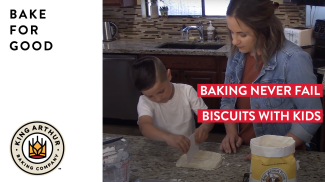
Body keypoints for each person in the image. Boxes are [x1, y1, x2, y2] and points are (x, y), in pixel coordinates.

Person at [220, 0, 322, 160]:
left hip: (283, 156)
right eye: (231, 32)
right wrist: (231, 133)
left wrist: (272, 150)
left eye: (242, 34)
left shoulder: (293, 59)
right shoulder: (236, 55)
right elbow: (227, 99)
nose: (234, 41)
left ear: (263, 30)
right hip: (244, 151)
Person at [131, 56, 215, 153]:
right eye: (150, 96)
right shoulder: (144, 101)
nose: (158, 99)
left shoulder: (187, 91)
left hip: (187, 149)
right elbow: (144, 126)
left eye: (161, 91)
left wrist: (204, 128)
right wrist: (168, 137)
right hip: (159, 151)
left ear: (168, 75)